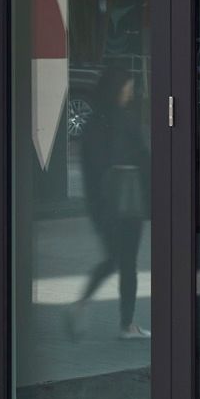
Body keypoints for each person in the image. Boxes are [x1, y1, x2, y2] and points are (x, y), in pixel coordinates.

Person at [74, 62, 149, 339]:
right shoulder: (126, 119)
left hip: (101, 205)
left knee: (114, 259)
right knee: (127, 264)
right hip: (128, 203)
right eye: (128, 87)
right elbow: (143, 158)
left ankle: (83, 304)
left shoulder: (93, 122)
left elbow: (91, 166)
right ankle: (126, 325)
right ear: (118, 89)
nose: (131, 92)